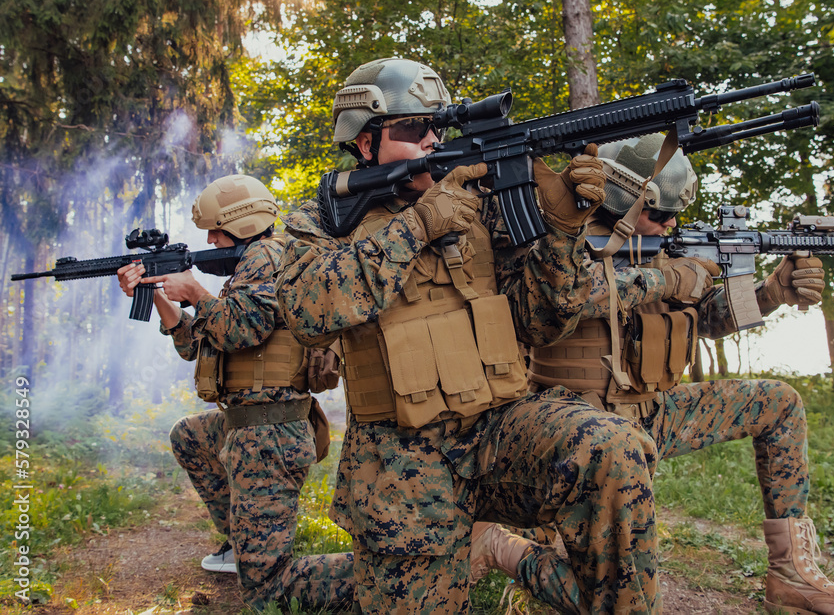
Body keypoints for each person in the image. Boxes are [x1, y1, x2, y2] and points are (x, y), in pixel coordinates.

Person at [275, 57, 661, 613]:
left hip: (501, 430)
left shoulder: (484, 209)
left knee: (612, 446)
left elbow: (545, 321)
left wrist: (564, 232)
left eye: (439, 126)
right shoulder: (321, 221)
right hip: (400, 465)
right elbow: (308, 312)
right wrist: (421, 223)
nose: (432, 140)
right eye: (412, 129)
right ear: (364, 144)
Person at [474, 133, 834, 614]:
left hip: (654, 411)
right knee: (618, 595)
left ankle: (791, 574)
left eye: (676, 214)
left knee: (779, 402)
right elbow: (558, 305)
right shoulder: (559, 239)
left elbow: (705, 318)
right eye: (659, 213)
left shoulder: (663, 247)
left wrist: (773, 292)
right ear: (623, 202)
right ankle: (505, 548)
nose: (671, 223)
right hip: (572, 422)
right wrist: (668, 276)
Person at [116, 175, 353, 611]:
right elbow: (196, 344)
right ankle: (242, 543)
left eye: (216, 231)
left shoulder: (269, 255)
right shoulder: (247, 269)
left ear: (243, 225)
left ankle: (396, 573)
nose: (208, 240)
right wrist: (159, 296)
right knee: (188, 435)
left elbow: (245, 328)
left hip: (269, 437)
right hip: (251, 427)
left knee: (266, 590)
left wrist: (194, 291)